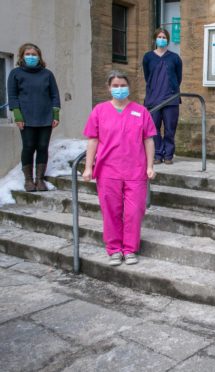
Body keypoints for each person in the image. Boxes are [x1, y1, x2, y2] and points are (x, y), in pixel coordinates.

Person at [82, 71, 157, 266]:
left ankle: (130, 249)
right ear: (109, 88)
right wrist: (88, 167)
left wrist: (150, 166)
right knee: (111, 211)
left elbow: (148, 140)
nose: (119, 89)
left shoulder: (141, 112)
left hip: (136, 170)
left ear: (129, 87)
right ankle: (114, 249)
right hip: (108, 170)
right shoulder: (99, 111)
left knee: (134, 212)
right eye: (115, 86)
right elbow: (93, 140)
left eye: (122, 85)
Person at [7, 43, 60, 192]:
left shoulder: (47, 74)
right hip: (26, 117)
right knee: (29, 146)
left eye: (34, 54)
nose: (31, 57)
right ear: (22, 56)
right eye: (28, 54)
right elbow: (12, 96)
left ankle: (40, 179)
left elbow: (54, 95)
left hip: (46, 116)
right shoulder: (15, 73)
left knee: (42, 147)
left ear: (39, 56)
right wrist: (17, 115)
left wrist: (55, 114)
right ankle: (29, 180)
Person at [142, 28, 182, 165]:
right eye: (159, 37)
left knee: (170, 129)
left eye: (164, 37)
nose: (162, 39)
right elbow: (148, 76)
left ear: (168, 40)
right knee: (154, 129)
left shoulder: (175, 58)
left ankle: (169, 155)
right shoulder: (148, 57)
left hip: (171, 98)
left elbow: (178, 77)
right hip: (154, 99)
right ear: (155, 39)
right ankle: (157, 155)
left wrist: (171, 90)